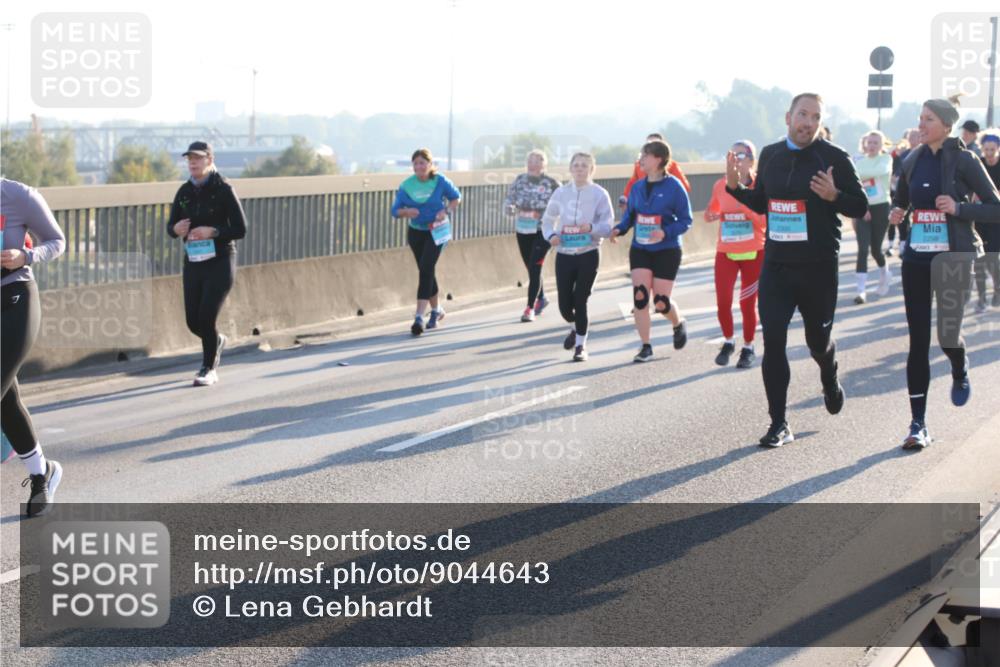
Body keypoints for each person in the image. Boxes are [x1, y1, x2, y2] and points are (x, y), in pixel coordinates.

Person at [725, 93, 868, 447]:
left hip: (818, 267)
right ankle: (779, 423)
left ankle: (829, 376)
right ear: (788, 117)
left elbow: (860, 205)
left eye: (815, 117)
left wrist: (835, 196)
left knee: (817, 341)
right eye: (802, 114)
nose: (807, 122)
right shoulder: (771, 154)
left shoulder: (832, 157)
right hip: (777, 265)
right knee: (773, 341)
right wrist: (736, 187)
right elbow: (763, 203)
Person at [889, 100, 1000, 449]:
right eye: (920, 118)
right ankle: (917, 424)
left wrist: (958, 208)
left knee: (947, 335)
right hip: (917, 259)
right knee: (918, 341)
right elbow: (902, 200)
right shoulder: (911, 158)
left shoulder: (965, 160)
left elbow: (995, 207)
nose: (921, 124)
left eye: (928, 119)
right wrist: (897, 212)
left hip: (953, 258)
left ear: (947, 125)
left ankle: (959, 365)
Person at [2, 178, 66, 517]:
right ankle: (43, 474)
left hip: (15, 298)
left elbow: (57, 242)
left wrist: (25, 255)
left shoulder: (18, 195)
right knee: (7, 401)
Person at [167, 141, 247, 386]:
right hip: (194, 261)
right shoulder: (184, 192)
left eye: (198, 158)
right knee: (193, 320)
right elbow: (172, 226)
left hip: (220, 260)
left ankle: (207, 369)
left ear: (210, 160)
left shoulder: (223, 189)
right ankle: (216, 341)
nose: (192, 162)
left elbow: (241, 228)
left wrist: (213, 231)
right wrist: (175, 229)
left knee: (206, 316)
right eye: (189, 158)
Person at [611, 139, 693, 362]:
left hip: (667, 249)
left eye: (645, 155)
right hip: (641, 248)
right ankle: (645, 346)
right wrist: (618, 229)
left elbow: (686, 220)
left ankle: (678, 323)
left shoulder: (674, 186)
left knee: (661, 302)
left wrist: (665, 232)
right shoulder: (637, 187)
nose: (641, 159)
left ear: (658, 159)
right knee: (640, 296)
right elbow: (630, 217)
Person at [541, 153, 614, 361]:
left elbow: (608, 226)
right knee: (565, 306)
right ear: (571, 169)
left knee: (580, 300)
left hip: (588, 253)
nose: (580, 169)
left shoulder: (600, 194)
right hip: (564, 253)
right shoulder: (560, 193)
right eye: (576, 165)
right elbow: (548, 221)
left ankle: (581, 346)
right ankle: (574, 326)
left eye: (584, 166)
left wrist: (591, 227)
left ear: (591, 170)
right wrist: (552, 235)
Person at [703, 140, 767, 368]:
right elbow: (714, 209)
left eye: (741, 156)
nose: (736, 160)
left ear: (751, 160)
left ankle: (748, 347)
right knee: (722, 302)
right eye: (732, 155)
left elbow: (764, 223)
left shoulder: (761, 185)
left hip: (754, 252)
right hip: (726, 252)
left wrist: (746, 210)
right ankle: (729, 341)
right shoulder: (721, 185)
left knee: (747, 305)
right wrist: (711, 215)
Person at [391, 148, 461, 336]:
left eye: (423, 163)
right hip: (416, 232)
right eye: (416, 163)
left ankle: (419, 316)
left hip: (437, 231)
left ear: (430, 165)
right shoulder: (407, 185)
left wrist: (445, 211)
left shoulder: (440, 181)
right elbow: (395, 210)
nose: (419, 166)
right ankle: (437, 309)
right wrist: (407, 212)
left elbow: (456, 198)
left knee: (426, 267)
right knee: (426, 269)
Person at [502, 149, 560, 322]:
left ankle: (529, 308)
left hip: (544, 230)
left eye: (538, 160)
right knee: (531, 267)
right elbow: (509, 199)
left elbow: (561, 205)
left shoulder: (552, 183)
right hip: (523, 229)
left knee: (535, 267)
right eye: (531, 160)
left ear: (544, 164)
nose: (534, 163)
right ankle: (541, 298)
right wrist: (510, 208)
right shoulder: (520, 180)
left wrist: (541, 212)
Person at [852, 130, 894, 303]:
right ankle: (861, 290)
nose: (872, 146)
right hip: (862, 207)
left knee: (876, 249)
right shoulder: (859, 161)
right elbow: (853, 181)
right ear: (864, 144)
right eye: (869, 142)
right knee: (863, 248)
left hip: (881, 207)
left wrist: (861, 175)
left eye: (876, 143)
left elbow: (878, 171)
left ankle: (885, 272)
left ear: (882, 145)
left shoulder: (886, 159)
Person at [619, 132, 691, 211]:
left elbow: (684, 188)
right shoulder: (639, 165)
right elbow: (632, 183)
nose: (651, 147)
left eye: (655, 144)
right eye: (648, 144)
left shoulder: (672, 166)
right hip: (643, 207)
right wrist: (625, 198)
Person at [973, 131, 1000, 312]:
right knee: (979, 259)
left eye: (992, 149)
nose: (989, 153)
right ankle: (981, 298)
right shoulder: (978, 165)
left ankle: (997, 290)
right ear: (982, 149)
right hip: (979, 217)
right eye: (986, 149)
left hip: (996, 219)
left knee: (993, 258)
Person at [887, 129, 921, 256]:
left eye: (916, 136)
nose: (913, 139)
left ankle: (910, 244)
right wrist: (895, 177)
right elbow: (897, 170)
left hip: (918, 191)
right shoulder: (904, 155)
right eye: (911, 137)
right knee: (901, 217)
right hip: (903, 190)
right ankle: (901, 245)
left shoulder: (925, 154)